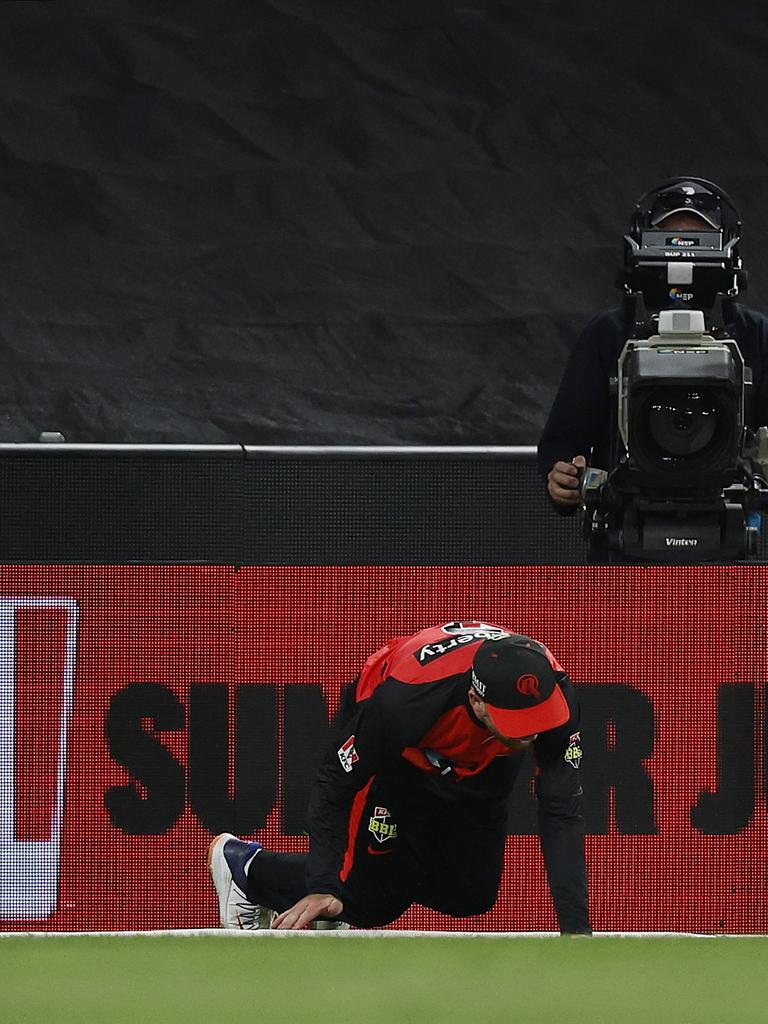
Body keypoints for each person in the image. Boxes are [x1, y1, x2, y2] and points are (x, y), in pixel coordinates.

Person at [207, 622, 590, 934]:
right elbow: (334, 782)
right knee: (373, 900)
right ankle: (246, 867)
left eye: (537, 722)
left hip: (483, 757)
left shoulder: (552, 697)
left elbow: (561, 811)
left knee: (471, 894)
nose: (533, 733)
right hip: (403, 751)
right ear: (476, 700)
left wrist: (576, 934)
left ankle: (365, 882)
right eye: (519, 725)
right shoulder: (405, 702)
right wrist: (324, 883)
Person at [539, 178, 768, 511]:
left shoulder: (755, 335)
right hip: (626, 525)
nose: (683, 251)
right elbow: (563, 439)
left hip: (723, 519)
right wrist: (562, 477)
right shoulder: (609, 333)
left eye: (699, 240)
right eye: (670, 239)